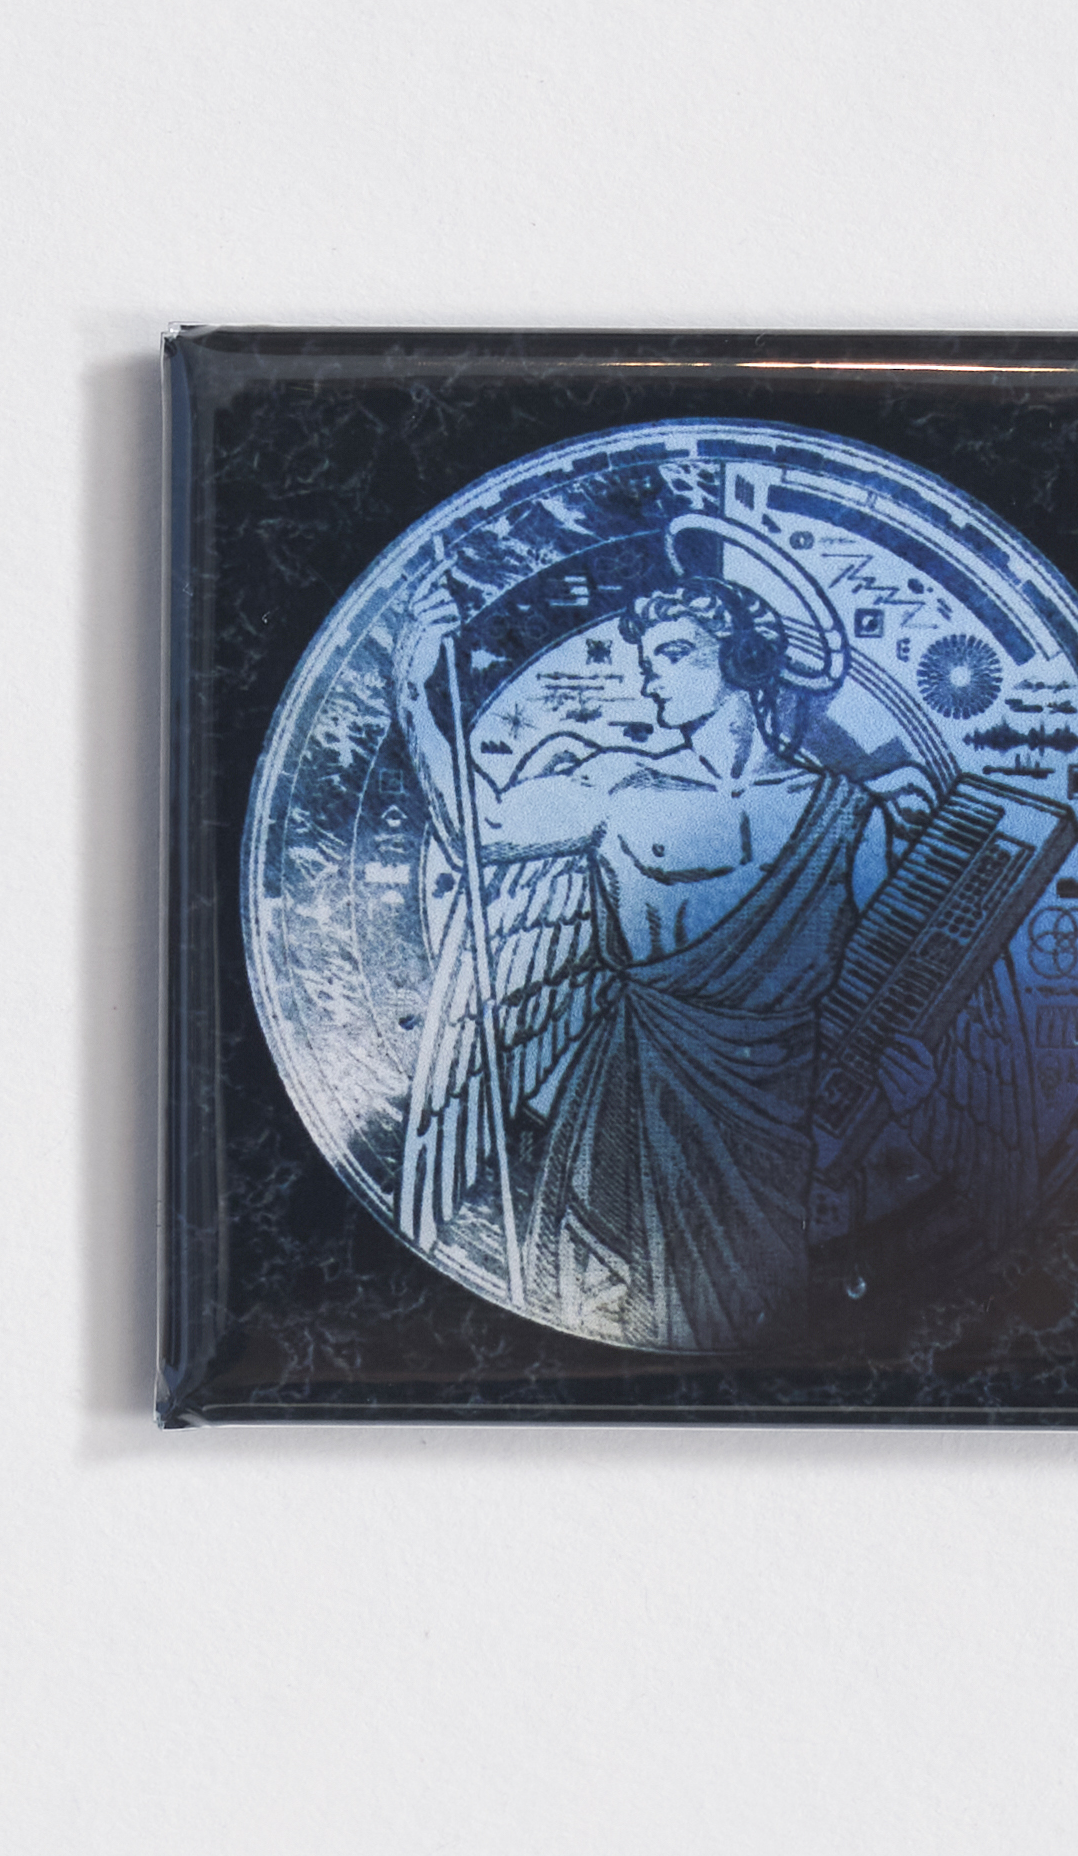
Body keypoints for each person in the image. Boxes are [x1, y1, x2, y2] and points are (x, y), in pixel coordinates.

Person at [390, 560, 938, 1349]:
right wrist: (414, 694)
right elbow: (481, 827)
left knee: (760, 1321)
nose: (649, 678)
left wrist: (905, 1076)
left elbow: (882, 996)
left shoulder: (851, 816)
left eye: (673, 654)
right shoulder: (618, 790)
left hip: (770, 1124)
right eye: (645, 661)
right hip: (629, 1099)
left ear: (743, 658)